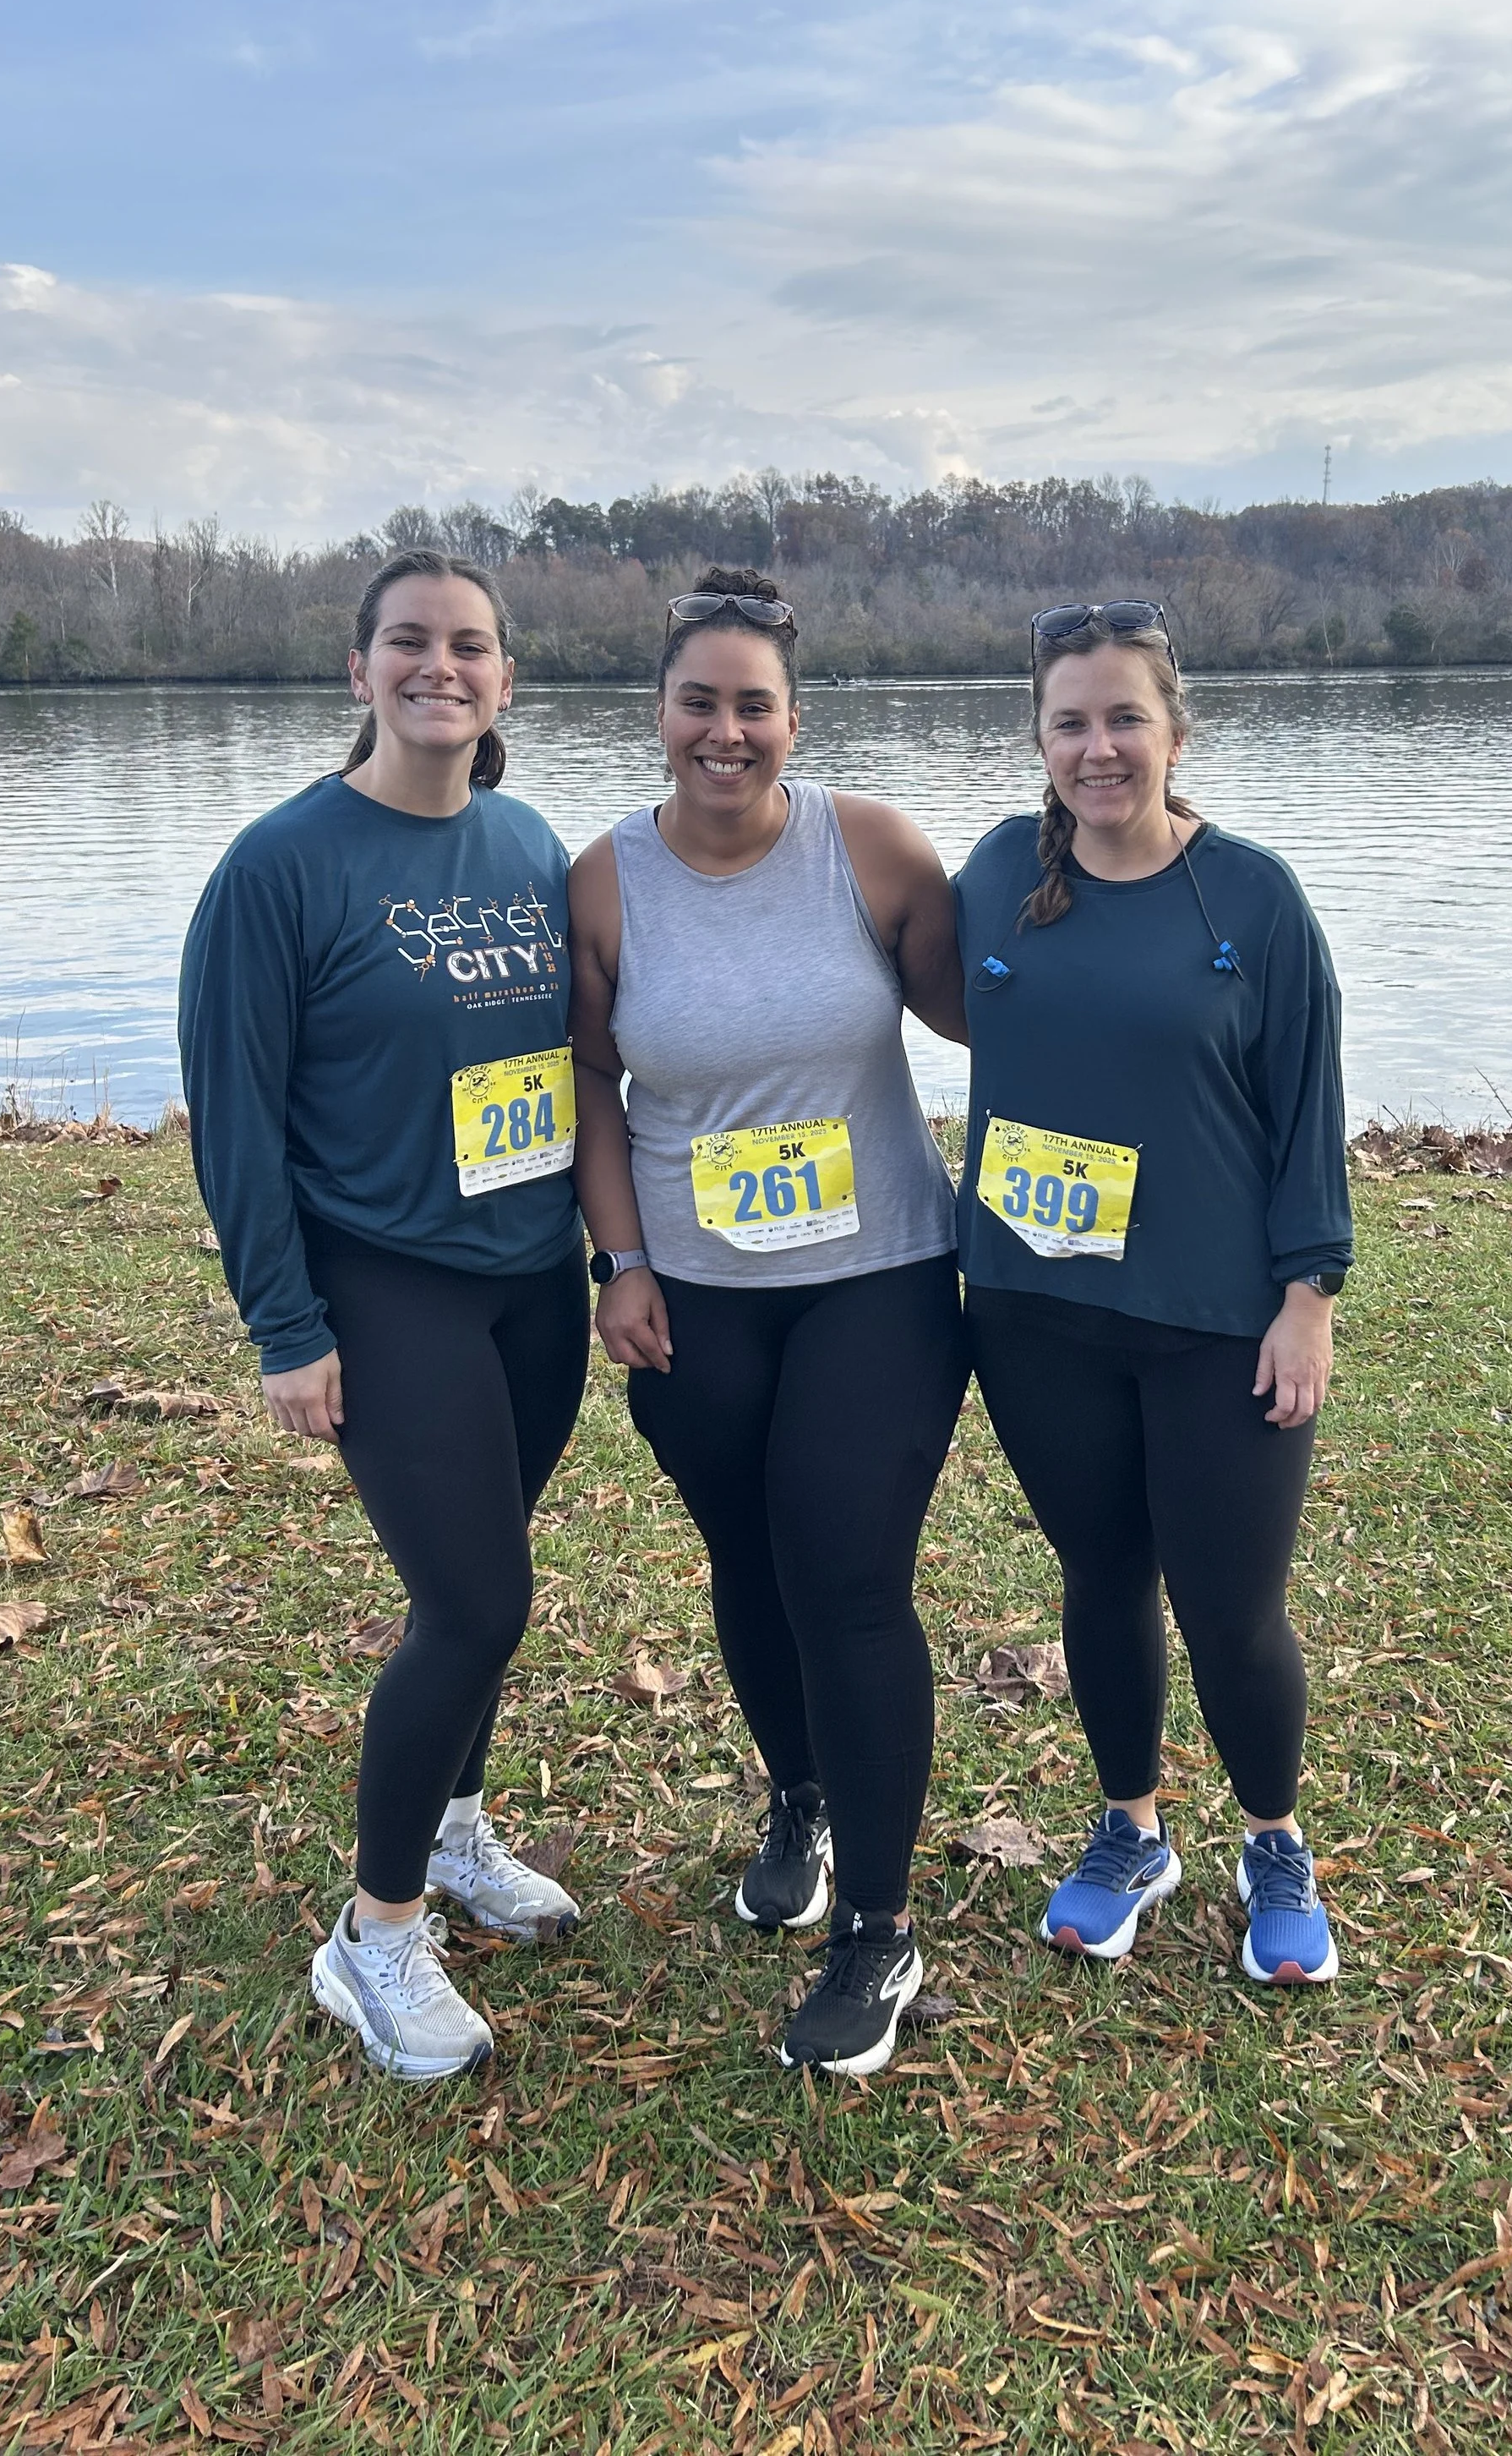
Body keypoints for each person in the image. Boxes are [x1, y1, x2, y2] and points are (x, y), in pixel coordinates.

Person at [180, 549, 588, 2081]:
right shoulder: (281, 868)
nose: (441, 668)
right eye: (408, 643)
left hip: (530, 1285)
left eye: (470, 646)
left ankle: (458, 1827)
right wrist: (286, 1326)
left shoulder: (529, 841)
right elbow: (236, 1119)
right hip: (388, 1281)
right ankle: (375, 1934)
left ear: (504, 679)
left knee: (478, 1579)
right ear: (359, 672)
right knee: (478, 1602)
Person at [567, 572, 968, 2076]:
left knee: (849, 1578)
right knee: (749, 1557)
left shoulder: (871, 851)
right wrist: (619, 1260)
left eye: (755, 706)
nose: (725, 732)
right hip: (696, 1297)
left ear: (796, 721)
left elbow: (996, 1001)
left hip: (879, 1280)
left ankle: (877, 1923)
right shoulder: (601, 881)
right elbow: (593, 1088)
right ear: (659, 714)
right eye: (699, 702)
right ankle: (796, 1791)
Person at [953, 601, 1353, 1984]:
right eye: (1070, 721)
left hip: (1212, 1319)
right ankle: (1132, 1827)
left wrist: (1308, 1296)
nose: (1098, 747)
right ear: (1040, 740)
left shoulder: (1250, 898)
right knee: (1102, 1572)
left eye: (1125, 717)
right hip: (1032, 1312)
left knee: (1231, 1604)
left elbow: (1308, 1104)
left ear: (1177, 732)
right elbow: (886, 995)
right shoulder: (999, 874)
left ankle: (1273, 1841)